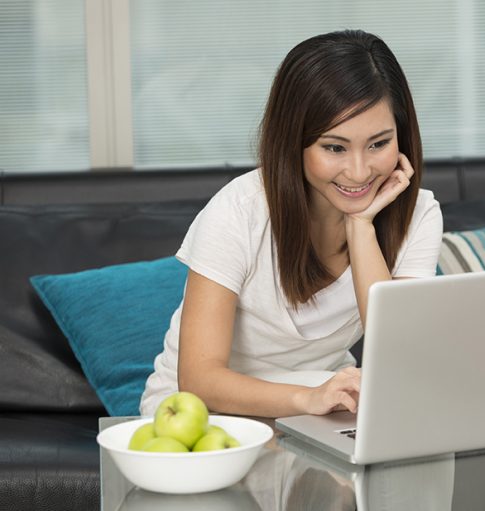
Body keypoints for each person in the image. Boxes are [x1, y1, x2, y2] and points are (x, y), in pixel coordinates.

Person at [140, 29, 443, 419]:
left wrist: (361, 226)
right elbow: (199, 379)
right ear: (293, 143)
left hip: (320, 406)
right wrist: (308, 398)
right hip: (200, 416)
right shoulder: (239, 211)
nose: (358, 171)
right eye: (334, 147)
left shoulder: (418, 213)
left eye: (379, 144)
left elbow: (400, 353)